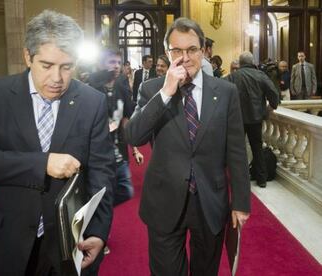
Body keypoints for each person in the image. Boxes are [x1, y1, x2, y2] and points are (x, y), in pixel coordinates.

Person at [0, 10, 115, 276]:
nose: (57, 78)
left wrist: (99, 232)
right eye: (47, 65)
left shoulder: (92, 101)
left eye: (67, 67)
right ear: (27, 57)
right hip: (11, 239)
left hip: (71, 242)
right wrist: (43, 163)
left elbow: (102, 173)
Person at [125, 17, 250, 275]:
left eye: (192, 49)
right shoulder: (151, 90)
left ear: (203, 50)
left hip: (210, 202)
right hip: (164, 200)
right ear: (168, 53)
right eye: (177, 50)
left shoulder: (226, 92)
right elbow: (134, 136)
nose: (185, 57)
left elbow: (236, 151)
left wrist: (240, 201)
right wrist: (167, 92)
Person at [88, 48, 143, 206]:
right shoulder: (92, 90)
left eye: (119, 62)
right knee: (100, 194)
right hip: (100, 156)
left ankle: (103, 208)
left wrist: (135, 149)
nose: (117, 66)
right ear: (101, 64)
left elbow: (126, 121)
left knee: (126, 191)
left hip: (120, 154)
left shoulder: (122, 89)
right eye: (112, 62)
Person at [225, 51, 279, 188]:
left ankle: (239, 179)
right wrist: (270, 107)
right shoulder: (261, 75)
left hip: (237, 118)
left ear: (240, 63)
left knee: (237, 149)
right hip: (256, 118)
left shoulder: (233, 77)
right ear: (252, 62)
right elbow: (274, 94)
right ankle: (261, 179)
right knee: (257, 147)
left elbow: (220, 92)